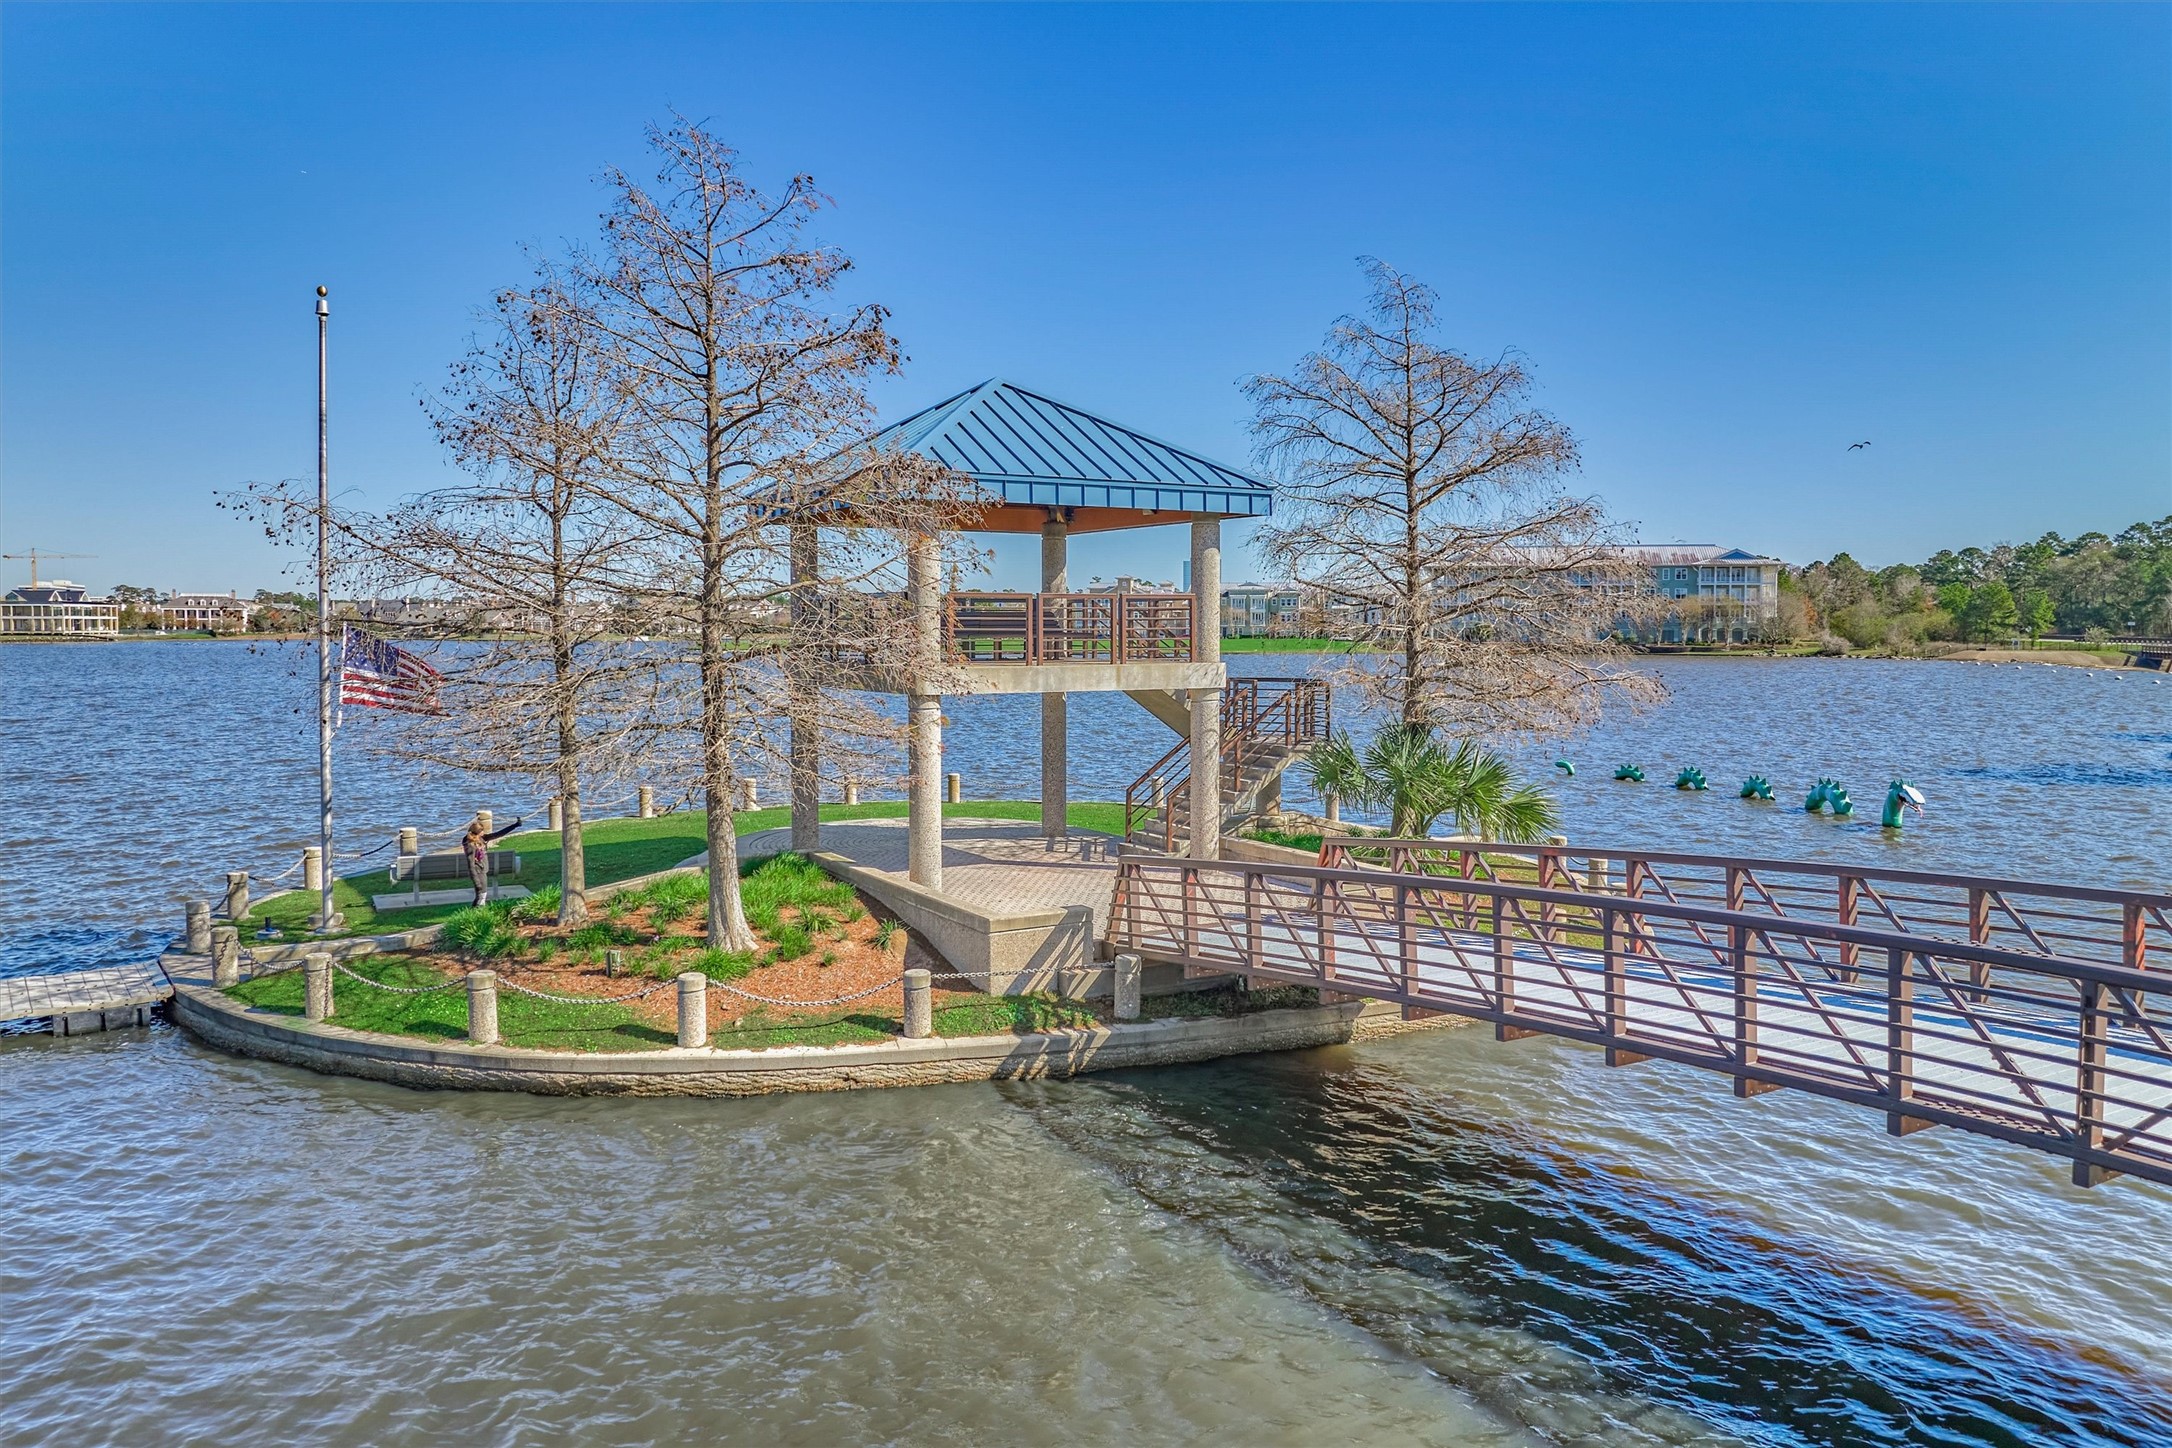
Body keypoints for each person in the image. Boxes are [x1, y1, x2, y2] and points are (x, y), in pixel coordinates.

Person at [463, 813, 523, 906]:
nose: (483, 833)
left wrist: (514, 825)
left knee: (481, 895)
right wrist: (477, 882)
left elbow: (498, 834)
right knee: (482, 895)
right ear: (477, 832)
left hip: (482, 870)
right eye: (481, 831)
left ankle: (474, 913)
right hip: (478, 871)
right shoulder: (470, 844)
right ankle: (478, 913)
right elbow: (470, 864)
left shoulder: (482, 838)